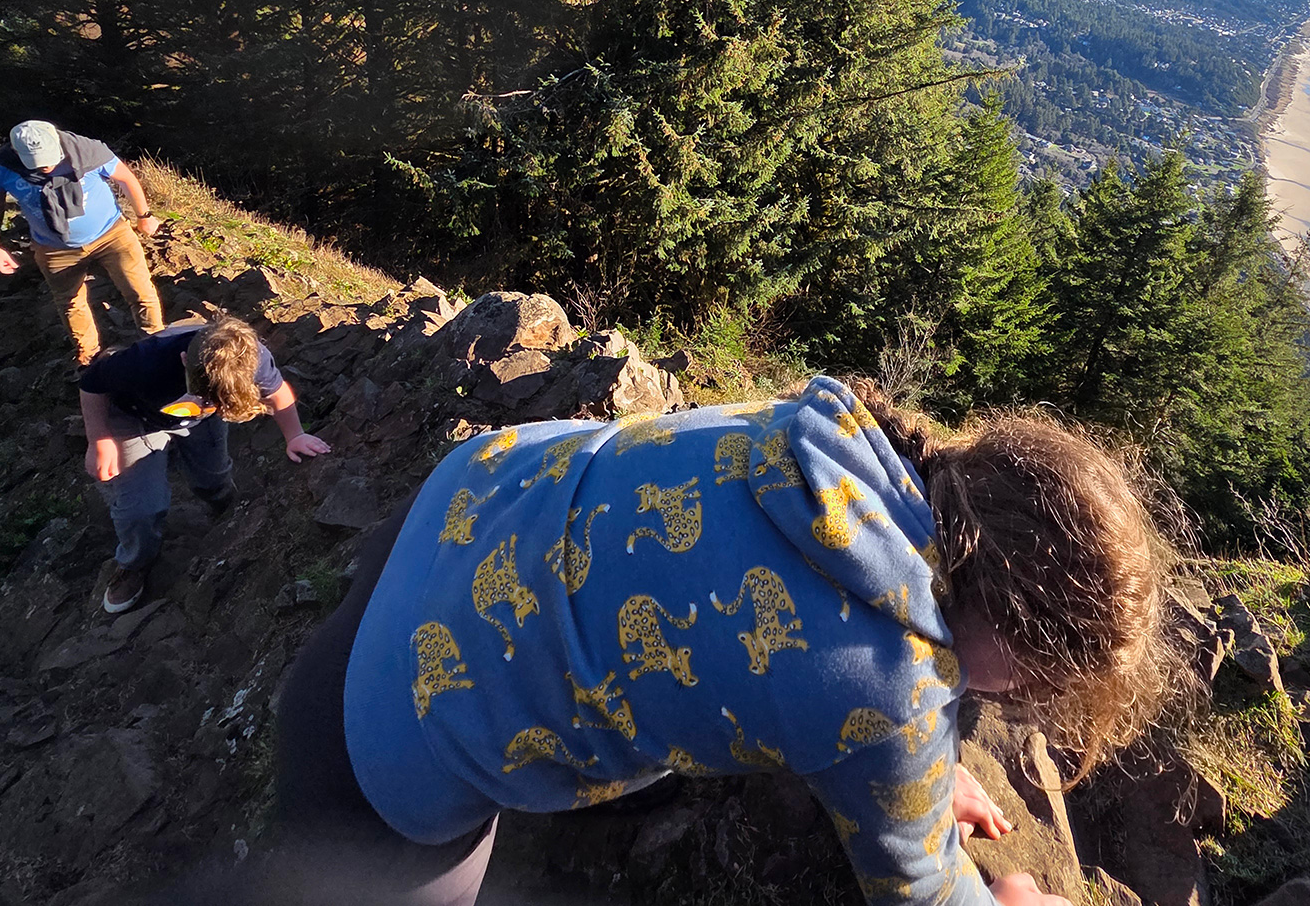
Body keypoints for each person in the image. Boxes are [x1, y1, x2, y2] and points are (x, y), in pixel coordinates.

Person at [250, 375, 1168, 906]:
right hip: (384, 754)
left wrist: (927, 765)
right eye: (1037, 676)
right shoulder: (888, 696)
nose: (1022, 699)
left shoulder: (837, 441)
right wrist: (1006, 895)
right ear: (1013, 630)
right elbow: (920, 889)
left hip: (444, 535)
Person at [79, 313, 331, 614]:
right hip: (135, 419)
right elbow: (91, 383)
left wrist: (295, 435)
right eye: (204, 395)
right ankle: (135, 563)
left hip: (201, 423)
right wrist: (99, 439)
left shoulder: (251, 358)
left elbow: (278, 394)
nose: (206, 402)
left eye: (216, 400)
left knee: (214, 478)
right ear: (184, 360)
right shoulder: (144, 361)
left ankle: (226, 512)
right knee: (141, 509)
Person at [0, 119, 165, 365]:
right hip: (54, 247)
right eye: (37, 163)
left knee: (140, 289)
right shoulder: (0, 165)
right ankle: (88, 358)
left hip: (112, 234)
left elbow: (126, 178)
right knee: (70, 302)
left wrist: (144, 216)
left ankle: (157, 344)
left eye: (49, 158)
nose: (46, 166)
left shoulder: (87, 150)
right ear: (17, 153)